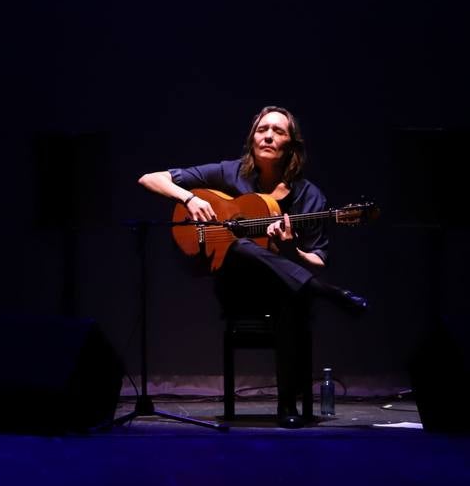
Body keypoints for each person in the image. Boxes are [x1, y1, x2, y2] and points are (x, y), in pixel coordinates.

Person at [138, 106, 367, 427]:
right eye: (263, 130)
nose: (269, 136)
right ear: (252, 138)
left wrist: (291, 249)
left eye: (279, 131)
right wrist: (188, 199)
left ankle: (286, 406)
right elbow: (151, 178)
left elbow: (317, 260)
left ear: (292, 145)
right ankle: (328, 294)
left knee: (291, 296)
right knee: (240, 245)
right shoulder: (229, 173)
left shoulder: (309, 197)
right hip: (235, 288)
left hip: (284, 289)